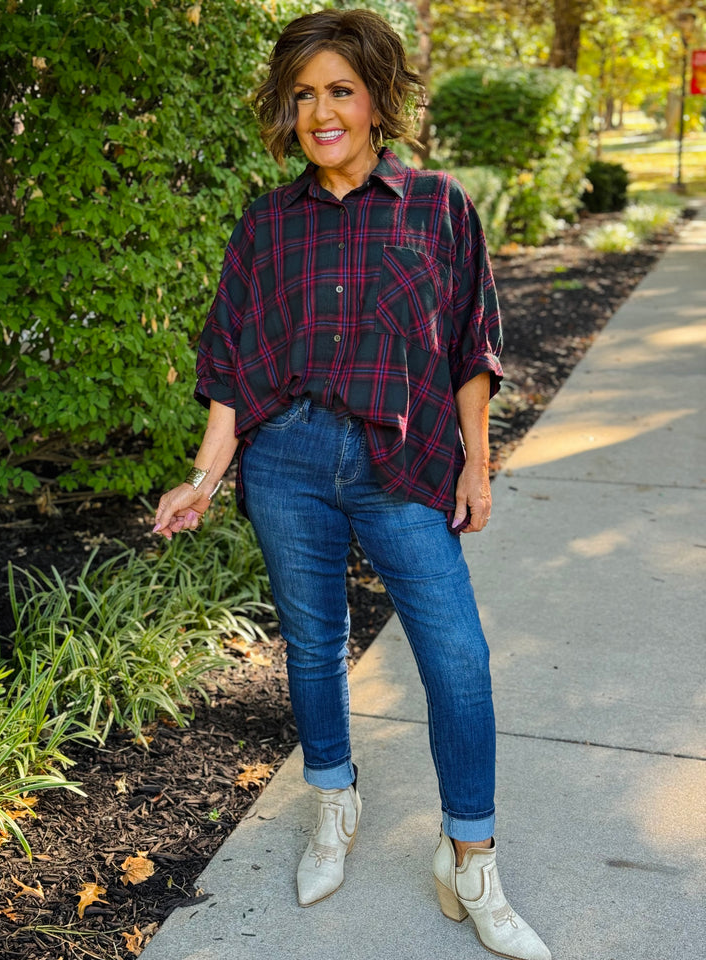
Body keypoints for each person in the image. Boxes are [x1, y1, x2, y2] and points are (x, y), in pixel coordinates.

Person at [153, 9, 550, 960]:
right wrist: (205, 478)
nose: (321, 111)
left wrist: (477, 463)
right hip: (287, 461)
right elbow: (232, 365)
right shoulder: (266, 223)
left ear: (376, 98)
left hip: (400, 465)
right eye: (303, 96)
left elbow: (470, 347)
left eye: (339, 89)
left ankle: (472, 858)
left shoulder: (439, 207)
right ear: (287, 112)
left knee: (458, 658)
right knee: (313, 647)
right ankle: (334, 800)